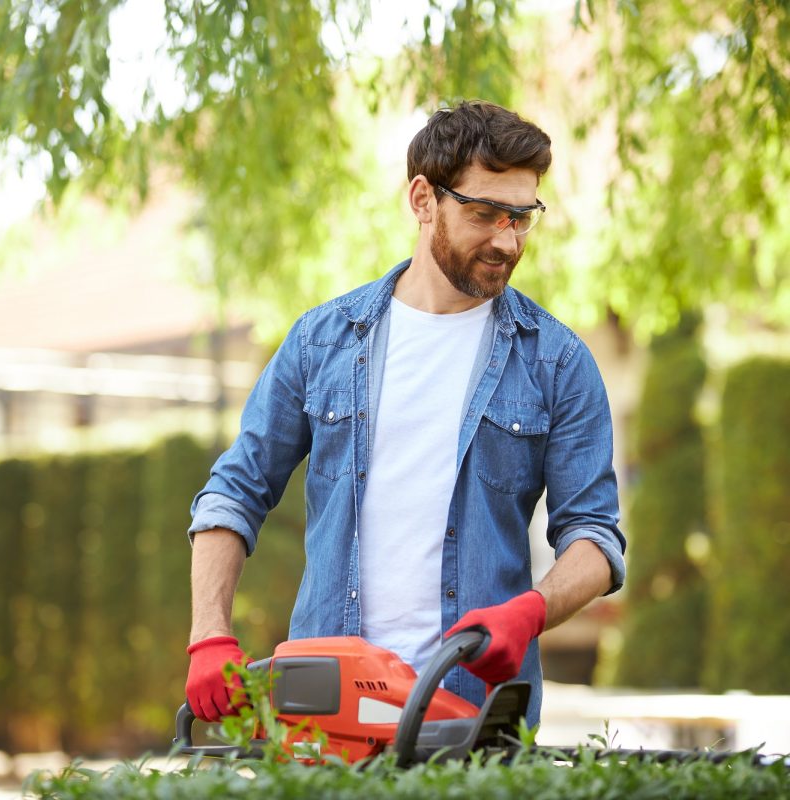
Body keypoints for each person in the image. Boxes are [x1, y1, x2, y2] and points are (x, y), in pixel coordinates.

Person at [185, 100, 626, 729]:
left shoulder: (556, 363)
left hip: (474, 719)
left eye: (522, 218)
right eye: (485, 213)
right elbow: (234, 492)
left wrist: (530, 610)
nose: (507, 239)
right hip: (325, 710)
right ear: (423, 199)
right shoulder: (323, 342)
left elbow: (596, 538)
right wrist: (209, 635)